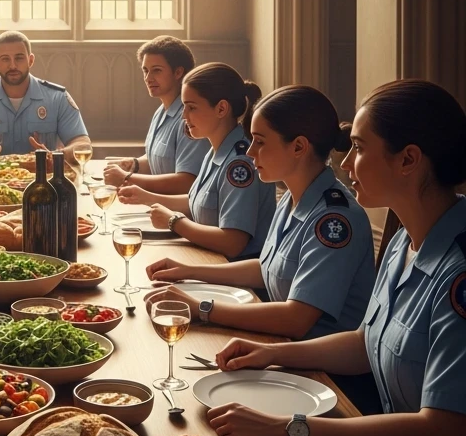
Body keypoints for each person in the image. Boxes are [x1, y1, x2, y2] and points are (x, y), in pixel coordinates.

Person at [206, 80, 466, 436]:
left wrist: (288, 429)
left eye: (360, 149)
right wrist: (272, 354)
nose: (346, 165)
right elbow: (366, 343)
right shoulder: (404, 239)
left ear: (408, 160)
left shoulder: (459, 274)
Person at [145, 86, 375, 339]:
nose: (251, 151)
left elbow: (295, 320)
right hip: (282, 345)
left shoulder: (335, 220)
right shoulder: (292, 196)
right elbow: (266, 269)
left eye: (260, 141)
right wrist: (188, 271)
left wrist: (202, 308)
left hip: (322, 372)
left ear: (299, 147)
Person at [119, 63, 275, 258]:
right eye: (184, 107)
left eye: (191, 107)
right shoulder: (215, 150)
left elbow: (232, 243)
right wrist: (147, 197)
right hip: (209, 257)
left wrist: (175, 222)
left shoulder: (240, 163)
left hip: (233, 273)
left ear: (221, 109)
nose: (184, 116)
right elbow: (199, 203)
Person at [0, 31, 91, 162]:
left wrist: (57, 156)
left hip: (43, 183)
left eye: (19, 58)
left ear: (31, 60)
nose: (13, 65)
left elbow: (83, 145)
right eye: (5, 59)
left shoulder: (57, 98)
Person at [103, 36, 208, 194]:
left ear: (178, 72)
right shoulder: (161, 111)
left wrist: (127, 178)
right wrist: (134, 164)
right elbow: (160, 158)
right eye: (145, 70)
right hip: (156, 204)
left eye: (156, 70)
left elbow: (187, 182)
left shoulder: (191, 118)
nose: (148, 78)